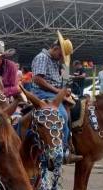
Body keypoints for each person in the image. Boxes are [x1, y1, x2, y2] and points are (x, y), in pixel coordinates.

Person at [31, 31, 82, 164]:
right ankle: (64, 151)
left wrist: (62, 92)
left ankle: (72, 143)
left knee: (79, 106)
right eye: (60, 55)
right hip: (42, 93)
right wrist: (57, 91)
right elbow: (37, 79)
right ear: (55, 49)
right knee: (62, 115)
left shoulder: (54, 61)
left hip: (54, 93)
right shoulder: (42, 58)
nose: (60, 58)